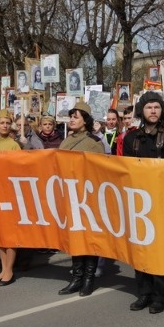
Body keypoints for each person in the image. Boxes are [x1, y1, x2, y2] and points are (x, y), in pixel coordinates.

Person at [121, 92, 164, 314]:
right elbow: (126, 170)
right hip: (138, 201)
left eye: (157, 107)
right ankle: (144, 292)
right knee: (140, 248)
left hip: (162, 200)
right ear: (142, 111)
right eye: (149, 107)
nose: (153, 111)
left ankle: (161, 294)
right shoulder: (131, 138)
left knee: (159, 248)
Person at [57, 101, 106, 297]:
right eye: (71, 116)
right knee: (75, 238)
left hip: (88, 196)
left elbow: (100, 169)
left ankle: (88, 278)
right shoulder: (65, 141)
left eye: (76, 116)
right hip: (69, 195)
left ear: (85, 121)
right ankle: (76, 278)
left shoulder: (94, 142)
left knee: (89, 238)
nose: (72, 120)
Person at [0, 109, 22, 285]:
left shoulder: (14, 145)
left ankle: (9, 270)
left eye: (8, 123)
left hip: (10, 192)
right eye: (2, 123)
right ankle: (3, 268)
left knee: (9, 233)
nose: (5, 125)